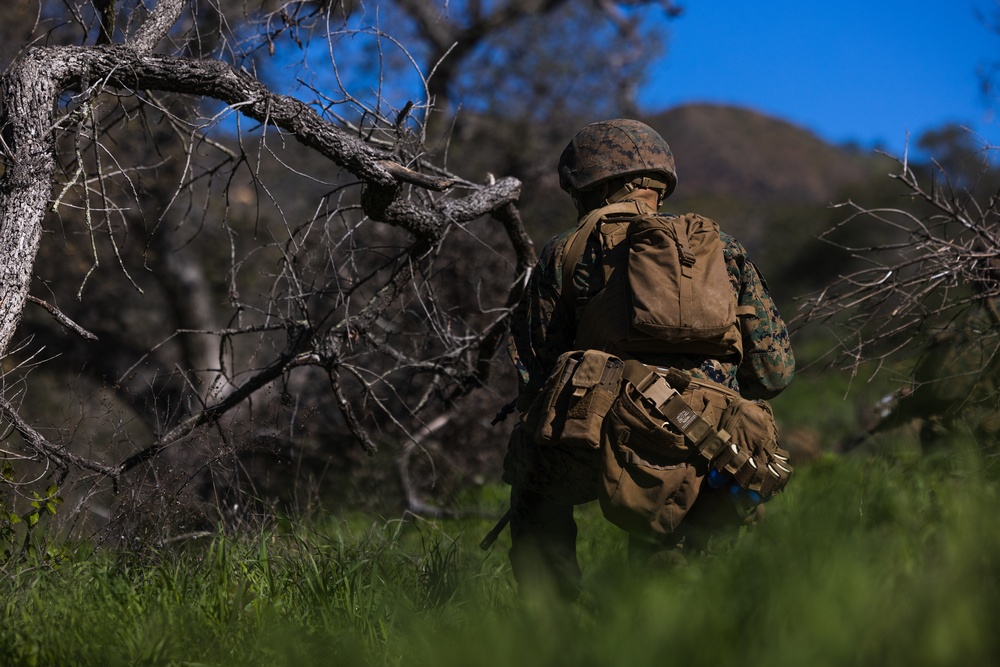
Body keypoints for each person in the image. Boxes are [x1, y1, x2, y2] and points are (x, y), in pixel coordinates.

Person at [503, 118, 796, 599]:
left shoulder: (566, 251)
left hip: (594, 435)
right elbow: (774, 372)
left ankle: (555, 626)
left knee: (534, 492)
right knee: (686, 552)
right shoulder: (725, 252)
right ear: (661, 183)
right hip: (712, 441)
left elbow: (536, 374)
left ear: (584, 183)